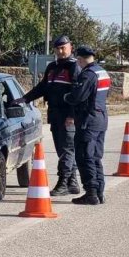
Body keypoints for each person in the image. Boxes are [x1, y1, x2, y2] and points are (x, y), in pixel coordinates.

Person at [15, 35, 81, 196]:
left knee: (67, 150)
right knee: (63, 151)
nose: (60, 51)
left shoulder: (74, 68)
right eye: (57, 48)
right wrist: (25, 98)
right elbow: (42, 88)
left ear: (70, 48)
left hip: (68, 117)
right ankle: (72, 183)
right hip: (55, 115)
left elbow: (78, 95)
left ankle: (64, 182)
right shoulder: (52, 67)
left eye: (63, 48)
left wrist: (72, 116)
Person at [64, 46, 110, 205]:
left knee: (85, 157)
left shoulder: (88, 75)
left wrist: (66, 97)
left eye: (78, 60)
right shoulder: (102, 72)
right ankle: (99, 192)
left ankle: (91, 193)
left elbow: (77, 97)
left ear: (81, 59)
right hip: (101, 119)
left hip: (88, 121)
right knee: (96, 157)